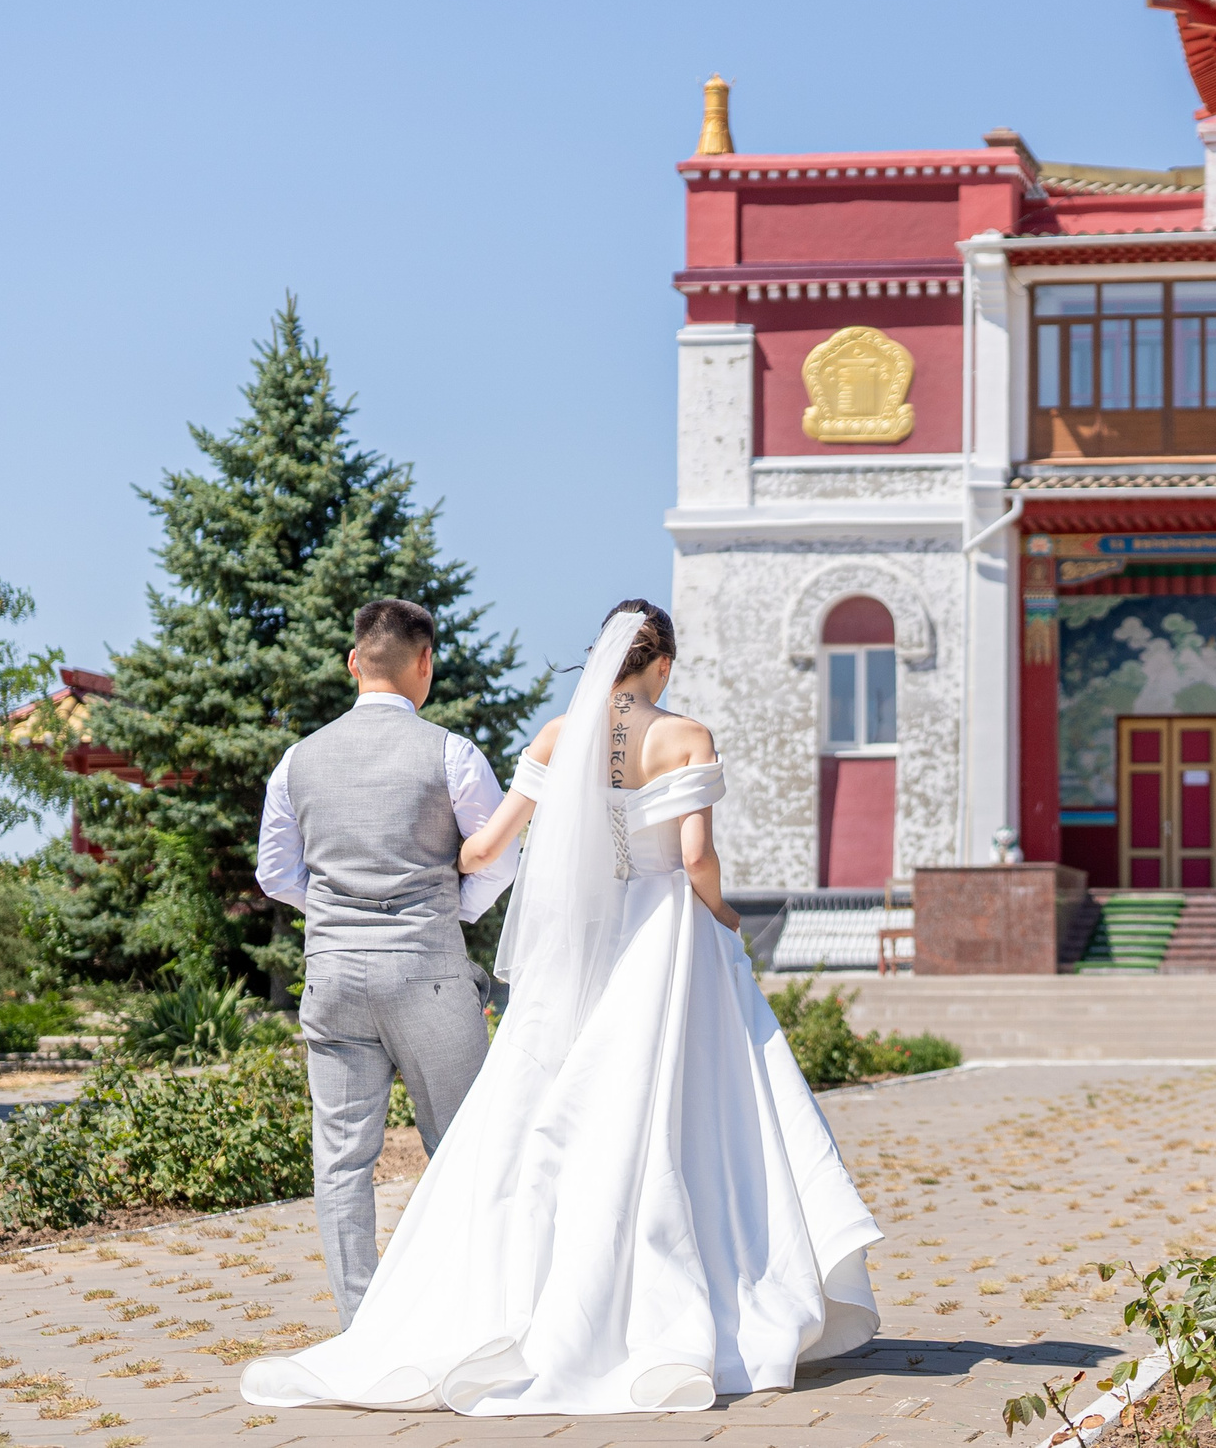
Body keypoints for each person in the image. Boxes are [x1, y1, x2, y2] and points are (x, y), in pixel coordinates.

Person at [241, 601, 882, 1415]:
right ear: (664, 664)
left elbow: (480, 849)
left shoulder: (553, 736)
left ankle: (458, 1299)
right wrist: (720, 914)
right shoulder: (687, 736)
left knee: (530, 1121)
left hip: (567, 948)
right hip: (664, 942)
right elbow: (695, 856)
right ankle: (702, 1288)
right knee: (683, 1116)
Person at [254, 597, 518, 1329]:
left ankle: (362, 1324)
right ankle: (473, 1313)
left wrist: (337, 915)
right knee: (462, 1144)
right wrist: (449, 911)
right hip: (426, 971)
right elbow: (501, 859)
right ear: (424, 664)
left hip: (332, 975)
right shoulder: (450, 753)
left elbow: (275, 873)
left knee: (341, 1158)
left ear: (352, 663)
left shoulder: (296, 760)